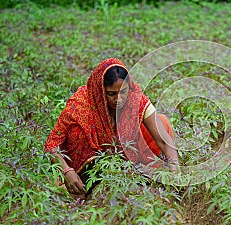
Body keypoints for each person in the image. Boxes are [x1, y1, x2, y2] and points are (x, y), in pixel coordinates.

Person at [45, 58, 179, 199]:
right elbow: (51, 145)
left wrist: (176, 170)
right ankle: (81, 189)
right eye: (111, 94)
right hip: (88, 168)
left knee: (161, 122)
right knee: (78, 132)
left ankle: (144, 176)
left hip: (124, 164)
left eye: (123, 92)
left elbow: (164, 141)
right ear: (100, 90)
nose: (118, 99)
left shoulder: (135, 99)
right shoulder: (80, 105)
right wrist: (67, 171)